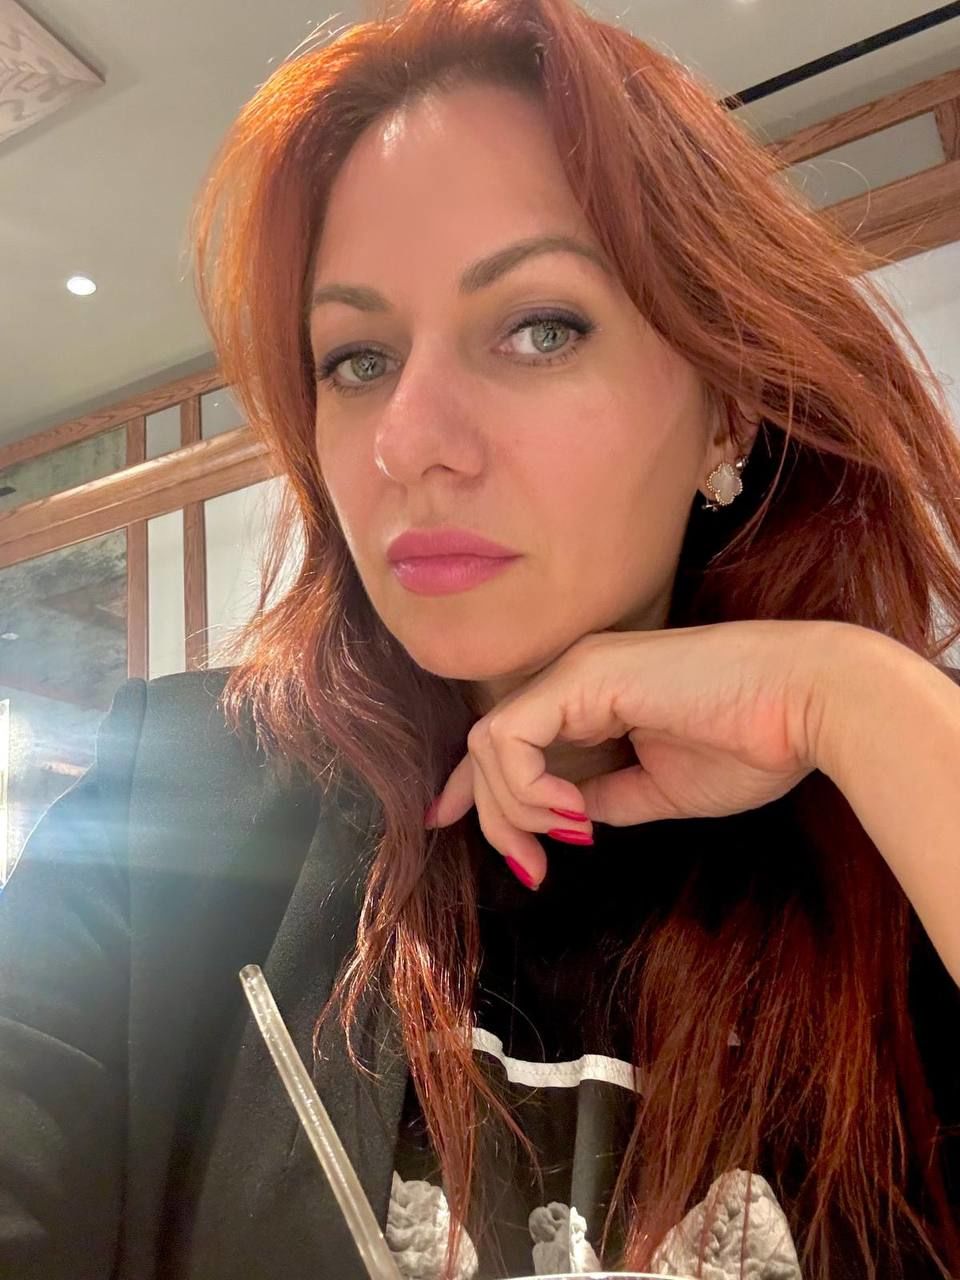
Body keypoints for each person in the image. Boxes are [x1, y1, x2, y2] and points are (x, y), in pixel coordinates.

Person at [2, 0, 960, 1276]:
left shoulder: (895, 836)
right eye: (357, 358)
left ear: (728, 409)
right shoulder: (173, 809)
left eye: (539, 327)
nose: (408, 441)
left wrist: (860, 700)